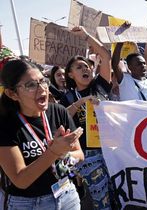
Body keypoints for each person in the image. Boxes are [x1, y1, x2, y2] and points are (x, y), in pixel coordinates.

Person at [0, 59, 84, 210]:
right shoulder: (5, 124)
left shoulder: (58, 111)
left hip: (67, 195)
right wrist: (53, 152)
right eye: (31, 85)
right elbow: (21, 179)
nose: (42, 89)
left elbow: (79, 154)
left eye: (43, 81)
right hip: (29, 203)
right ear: (12, 94)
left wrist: (64, 156)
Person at [59, 26, 115, 209]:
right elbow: (62, 117)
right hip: (88, 153)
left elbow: (106, 56)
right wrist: (81, 102)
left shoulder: (100, 86)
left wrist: (85, 36)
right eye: (79, 67)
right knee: (102, 198)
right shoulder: (67, 97)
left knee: (116, 191)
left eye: (86, 66)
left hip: (111, 148)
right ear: (70, 74)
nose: (85, 68)